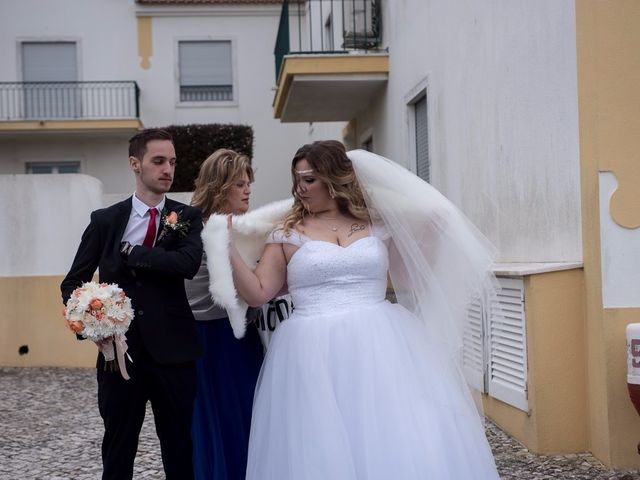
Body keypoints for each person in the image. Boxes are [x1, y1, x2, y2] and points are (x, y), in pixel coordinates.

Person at [216, 140, 501, 479]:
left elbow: (407, 279)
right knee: (321, 440)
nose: (300, 189)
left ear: (334, 179)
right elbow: (259, 294)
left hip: (382, 345)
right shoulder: (287, 233)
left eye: (309, 180)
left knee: (392, 432)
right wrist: (226, 246)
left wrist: (433, 235)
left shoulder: (375, 225)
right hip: (312, 351)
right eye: (297, 180)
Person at [60, 128, 204, 480]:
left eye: (172, 161)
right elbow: (73, 282)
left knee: (179, 445)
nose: (168, 169)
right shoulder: (105, 221)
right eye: (158, 161)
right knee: (119, 445)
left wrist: (133, 254)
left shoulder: (186, 217)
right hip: (119, 355)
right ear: (135, 164)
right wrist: (90, 328)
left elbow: (185, 265)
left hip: (175, 352)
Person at [185, 149, 264, 480]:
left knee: (249, 416)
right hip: (204, 341)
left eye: (248, 183)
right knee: (215, 420)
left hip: (242, 340)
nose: (247, 190)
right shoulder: (187, 229)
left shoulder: (250, 228)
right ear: (219, 186)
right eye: (239, 184)